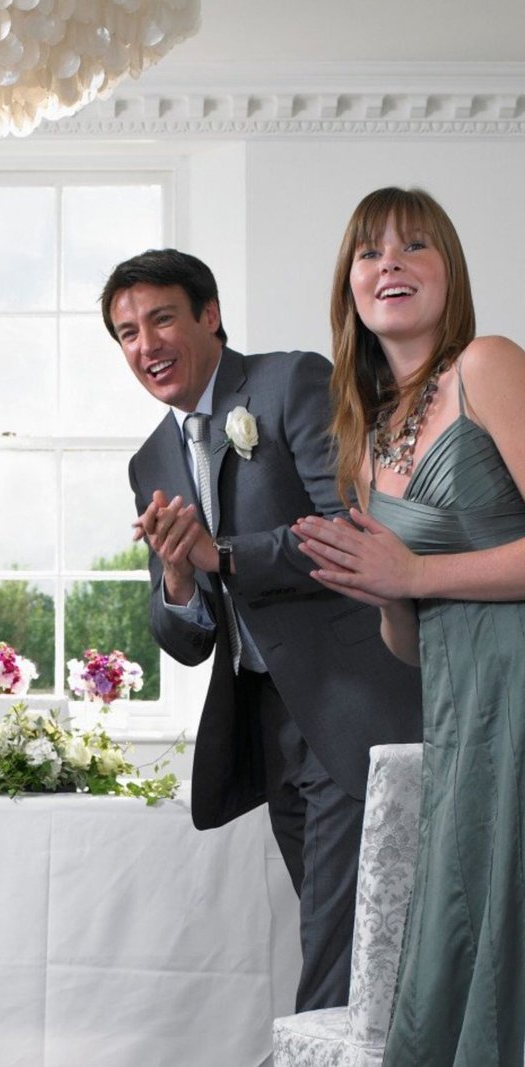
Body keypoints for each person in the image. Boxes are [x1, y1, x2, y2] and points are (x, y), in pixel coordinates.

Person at [104, 248, 421, 1013]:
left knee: (338, 934)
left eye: (161, 318)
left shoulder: (287, 382)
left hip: (350, 702)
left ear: (209, 315)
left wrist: (223, 554)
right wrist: (180, 579)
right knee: (333, 926)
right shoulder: (150, 459)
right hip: (267, 723)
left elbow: (347, 526)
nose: (144, 344)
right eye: (124, 332)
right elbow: (185, 637)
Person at [293, 187, 525, 1064]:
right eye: (369, 252)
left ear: (449, 274)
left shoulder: (489, 366)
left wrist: (416, 569)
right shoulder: (365, 439)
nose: (390, 262)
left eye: (414, 247)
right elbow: (413, 644)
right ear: (350, 286)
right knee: (473, 931)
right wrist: (385, 591)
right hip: (466, 719)